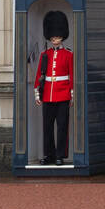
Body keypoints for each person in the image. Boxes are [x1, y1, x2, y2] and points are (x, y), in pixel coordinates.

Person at [33, 10, 74, 166]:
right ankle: (49, 155)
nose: (54, 39)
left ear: (62, 37)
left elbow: (72, 75)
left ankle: (60, 155)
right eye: (52, 37)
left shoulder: (69, 54)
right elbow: (39, 74)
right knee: (47, 128)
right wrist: (38, 93)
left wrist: (72, 94)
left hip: (63, 94)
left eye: (56, 37)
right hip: (48, 95)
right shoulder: (45, 54)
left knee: (62, 127)